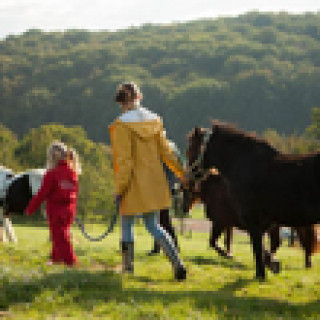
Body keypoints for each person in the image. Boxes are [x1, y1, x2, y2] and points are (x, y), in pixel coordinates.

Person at [109, 81, 187, 280]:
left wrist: (120, 188)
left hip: (133, 184)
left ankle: (128, 269)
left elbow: (125, 162)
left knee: (127, 225)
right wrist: (182, 172)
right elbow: (167, 153)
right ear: (139, 97)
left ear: (121, 102)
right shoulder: (155, 120)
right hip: (154, 181)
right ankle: (177, 263)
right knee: (154, 226)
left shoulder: (121, 125)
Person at [26, 141, 79, 267]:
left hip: (56, 210)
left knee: (60, 238)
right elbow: (74, 193)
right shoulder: (73, 173)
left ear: (52, 157)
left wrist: (30, 209)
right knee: (60, 235)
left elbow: (42, 194)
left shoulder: (51, 174)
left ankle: (71, 263)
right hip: (69, 210)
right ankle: (56, 260)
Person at [148, 140, 181, 255]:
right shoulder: (172, 146)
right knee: (159, 219)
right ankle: (158, 247)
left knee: (163, 219)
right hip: (169, 186)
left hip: (162, 187)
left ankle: (174, 247)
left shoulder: (160, 147)